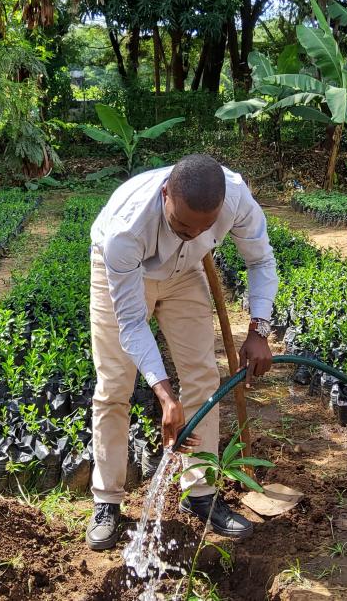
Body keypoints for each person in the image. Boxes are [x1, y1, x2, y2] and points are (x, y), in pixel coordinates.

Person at [85, 154, 278, 550]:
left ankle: (200, 493)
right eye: (181, 225)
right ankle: (107, 501)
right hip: (123, 275)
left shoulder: (237, 197)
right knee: (115, 386)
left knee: (204, 378)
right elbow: (133, 325)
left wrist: (259, 328)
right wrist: (164, 394)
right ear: (165, 194)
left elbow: (260, 259)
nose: (192, 233)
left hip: (186, 274)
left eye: (204, 227)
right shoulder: (126, 230)